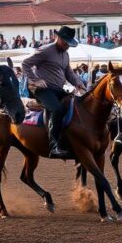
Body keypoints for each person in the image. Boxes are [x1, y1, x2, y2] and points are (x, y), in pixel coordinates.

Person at [21, 26, 86, 159]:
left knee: (76, 104)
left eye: (69, 44)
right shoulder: (45, 51)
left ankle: (70, 141)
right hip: (42, 90)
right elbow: (25, 64)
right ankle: (53, 146)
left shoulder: (66, 54)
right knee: (56, 109)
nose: (68, 46)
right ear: (58, 38)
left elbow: (69, 73)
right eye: (66, 43)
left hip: (58, 89)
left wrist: (79, 83)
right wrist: (36, 79)